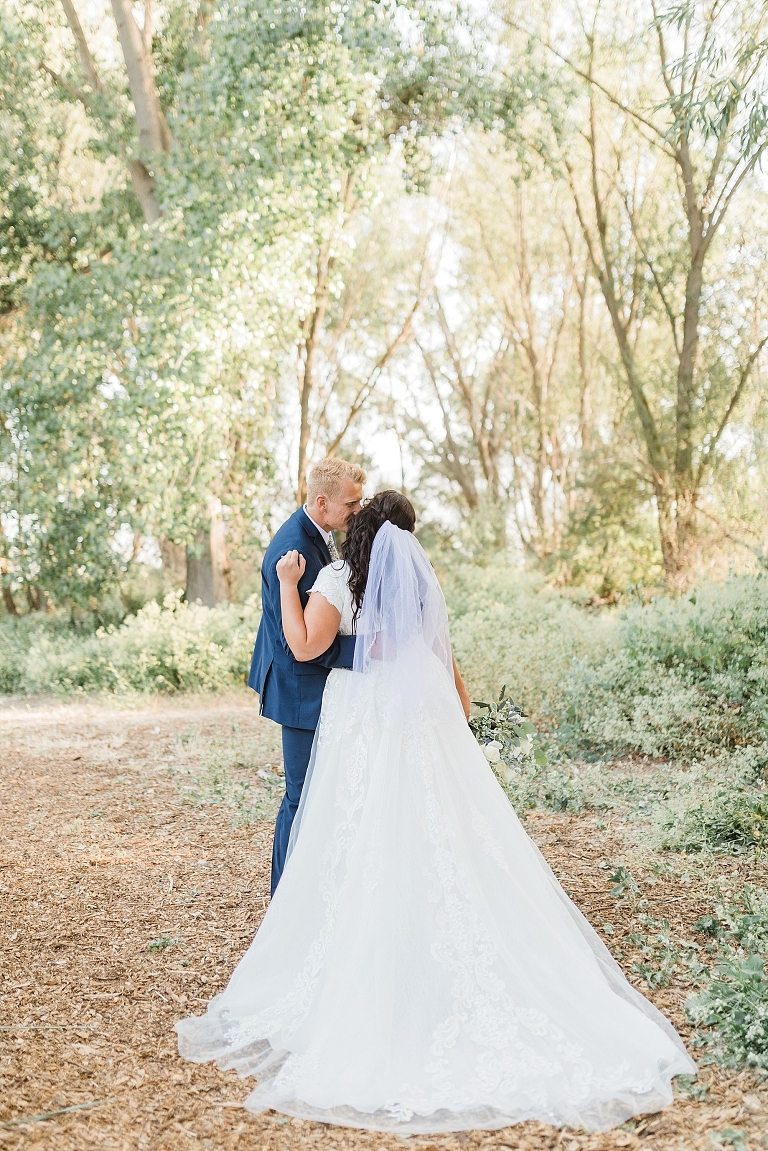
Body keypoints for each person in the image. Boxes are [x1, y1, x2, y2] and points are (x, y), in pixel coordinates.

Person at [178, 491, 696, 1135]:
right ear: (406, 542)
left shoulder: (337, 578)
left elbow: (306, 647)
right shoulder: (420, 587)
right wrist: (458, 715)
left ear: (358, 533)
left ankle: (361, 941)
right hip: (414, 718)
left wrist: (288, 586)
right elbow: (445, 663)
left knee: (355, 826)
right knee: (428, 826)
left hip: (360, 720)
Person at [247, 457, 365, 894]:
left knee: (323, 792)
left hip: (316, 687)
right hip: (299, 691)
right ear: (321, 502)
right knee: (299, 798)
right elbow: (298, 641)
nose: (357, 510)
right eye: (350, 504)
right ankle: (284, 899)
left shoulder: (321, 534)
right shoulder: (291, 549)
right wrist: (369, 651)